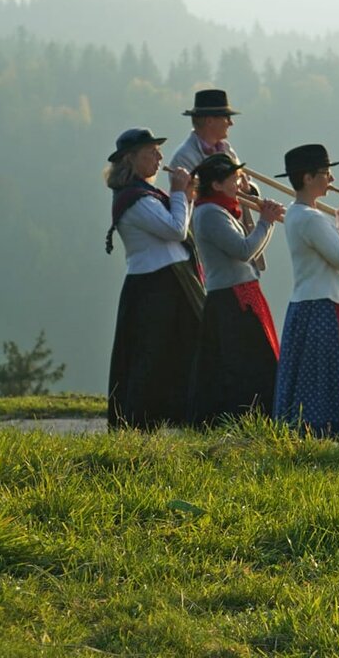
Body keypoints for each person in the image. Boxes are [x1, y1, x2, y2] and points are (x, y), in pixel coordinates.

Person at [104, 127, 202, 429]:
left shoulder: (146, 194)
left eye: (159, 152)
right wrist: (179, 191)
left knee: (181, 350)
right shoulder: (135, 200)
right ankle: (138, 423)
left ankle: (183, 417)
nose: (160, 158)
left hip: (171, 282)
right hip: (153, 287)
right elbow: (176, 229)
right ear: (131, 159)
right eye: (152, 152)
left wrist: (186, 196)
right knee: (151, 357)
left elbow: (179, 223)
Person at [272, 144, 339, 439]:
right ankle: (326, 433)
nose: (331, 179)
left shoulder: (299, 213)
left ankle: (314, 433)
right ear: (307, 178)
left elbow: (332, 249)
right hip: (322, 306)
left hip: (311, 303)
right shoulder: (310, 218)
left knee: (313, 375)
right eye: (326, 173)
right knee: (325, 375)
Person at [189, 153, 286, 425]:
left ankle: (261, 418)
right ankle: (245, 419)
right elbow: (243, 251)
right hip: (230, 299)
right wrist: (266, 221)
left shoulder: (221, 210)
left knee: (259, 360)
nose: (239, 184)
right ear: (217, 185)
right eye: (233, 179)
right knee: (243, 364)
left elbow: (250, 251)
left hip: (241, 293)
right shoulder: (209, 213)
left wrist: (266, 222)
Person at [169, 89, 264, 273]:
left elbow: (241, 183)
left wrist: (248, 189)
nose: (231, 123)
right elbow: (192, 201)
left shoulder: (226, 148)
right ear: (210, 121)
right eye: (226, 117)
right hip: (212, 247)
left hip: (238, 235)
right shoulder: (184, 158)